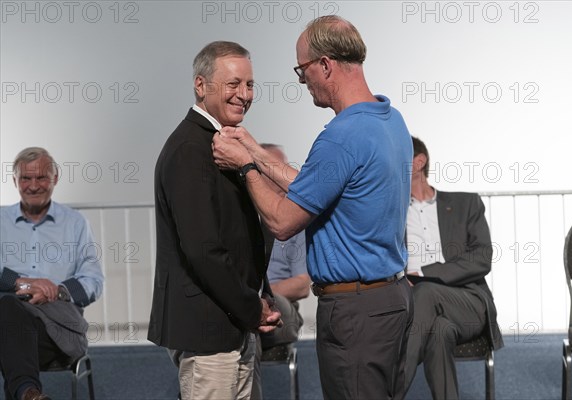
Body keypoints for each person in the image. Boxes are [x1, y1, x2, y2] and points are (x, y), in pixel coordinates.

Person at [213, 16, 414, 399]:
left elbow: (283, 221)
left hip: (355, 312)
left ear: (325, 65)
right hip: (392, 299)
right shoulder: (390, 120)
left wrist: (245, 166)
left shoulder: (341, 136)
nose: (302, 81)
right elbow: (318, 186)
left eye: (302, 70)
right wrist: (255, 148)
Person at [147, 41, 281, 400]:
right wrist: (253, 307)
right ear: (201, 85)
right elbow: (203, 249)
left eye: (249, 85)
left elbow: (238, 238)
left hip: (233, 326)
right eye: (233, 84)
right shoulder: (191, 149)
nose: (244, 94)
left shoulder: (220, 143)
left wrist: (260, 299)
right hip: (209, 331)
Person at [403, 136, 503, 399]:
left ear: (418, 162)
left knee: (425, 291)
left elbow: (482, 258)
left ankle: (391, 390)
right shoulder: (392, 212)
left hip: (467, 300)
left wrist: (423, 275)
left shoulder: (464, 204)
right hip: (413, 304)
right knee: (439, 331)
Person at [0, 147, 104, 400]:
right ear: (15, 181)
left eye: (42, 177)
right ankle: (29, 394)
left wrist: (57, 290)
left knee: (9, 316)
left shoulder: (75, 223)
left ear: (55, 179)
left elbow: (93, 281)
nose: (33, 186)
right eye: (26, 178)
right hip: (7, 323)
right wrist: (18, 283)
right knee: (10, 308)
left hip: (55, 332)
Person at [251, 144, 310, 400]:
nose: (285, 174)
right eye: (277, 167)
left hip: (281, 307)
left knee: (257, 309)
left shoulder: (293, 222)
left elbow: (301, 285)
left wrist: (260, 296)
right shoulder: (243, 216)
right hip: (246, 307)